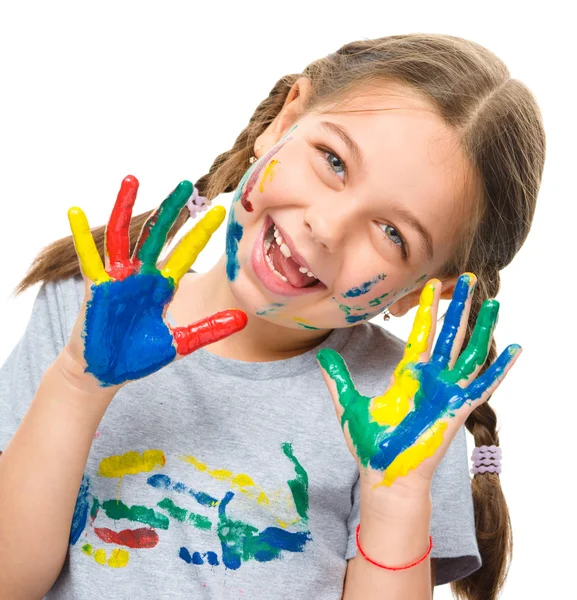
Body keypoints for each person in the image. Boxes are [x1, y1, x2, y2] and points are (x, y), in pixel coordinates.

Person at [0, 33, 545, 600]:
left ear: (422, 293)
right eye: (333, 161)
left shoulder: (401, 413)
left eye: (392, 234)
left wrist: (397, 499)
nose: (327, 228)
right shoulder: (84, 312)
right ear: (283, 124)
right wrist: (76, 384)